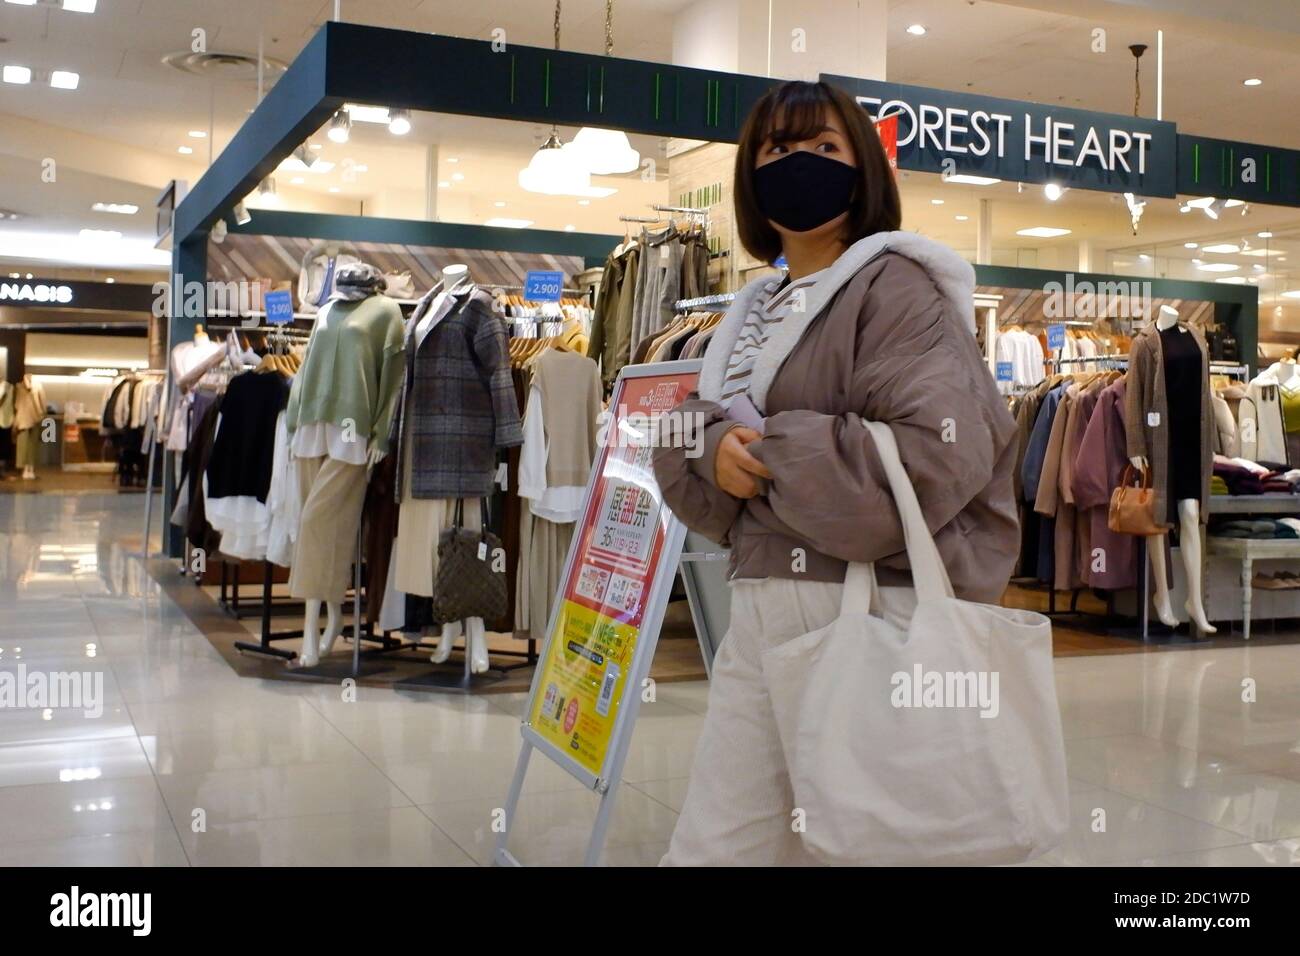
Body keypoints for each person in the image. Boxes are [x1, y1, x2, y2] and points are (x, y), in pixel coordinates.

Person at [652, 80, 1020, 865]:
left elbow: (935, 458)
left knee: (870, 840)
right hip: (760, 609)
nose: (798, 164)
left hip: (868, 614)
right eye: (777, 150)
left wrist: (764, 456)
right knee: (723, 840)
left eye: (824, 147)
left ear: (865, 170)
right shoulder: (753, 309)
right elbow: (681, 435)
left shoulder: (897, 289)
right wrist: (709, 447)